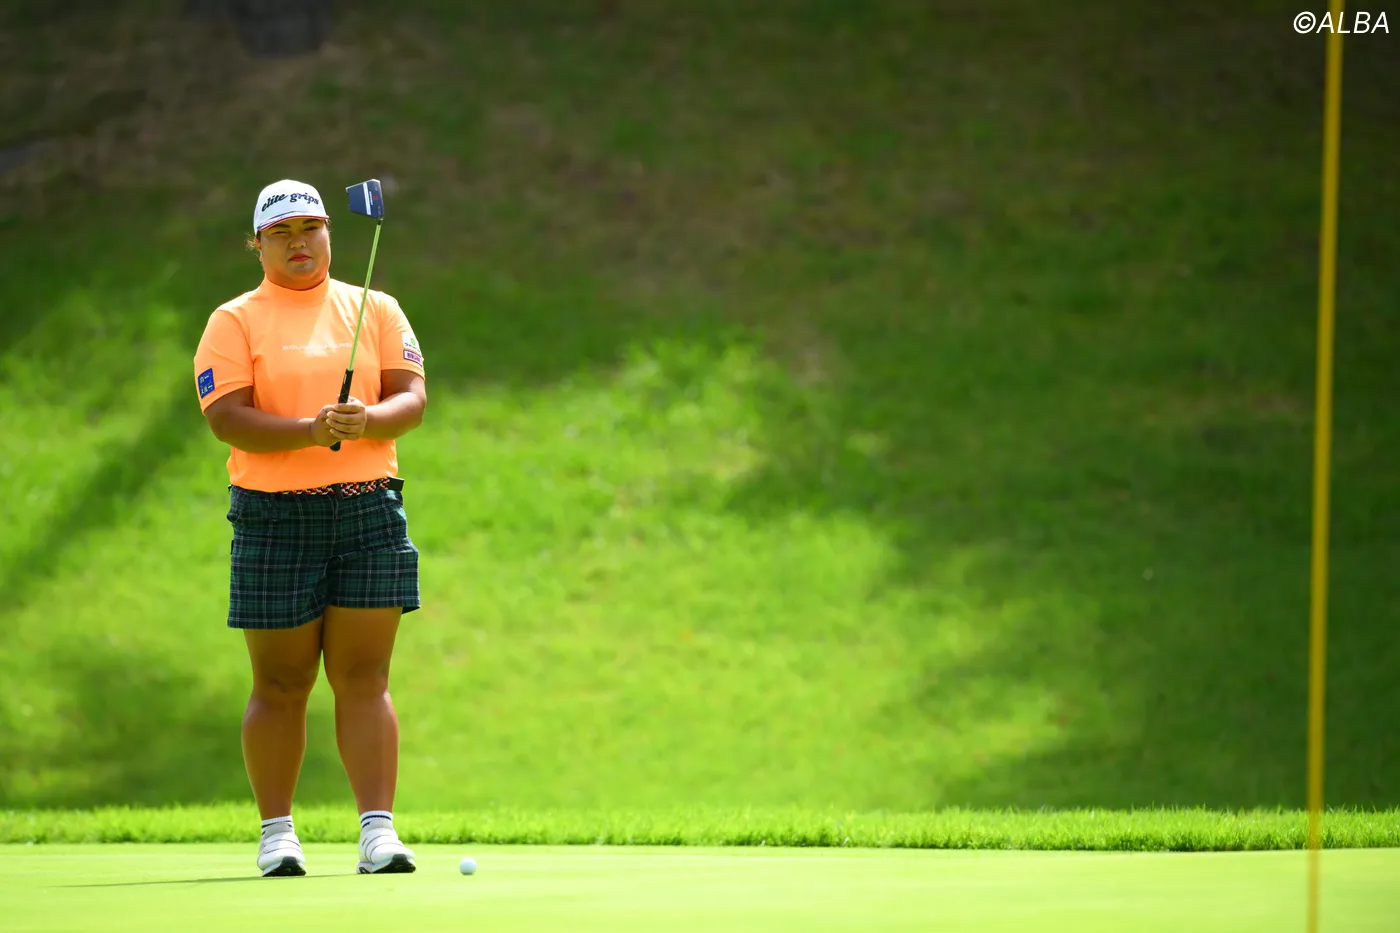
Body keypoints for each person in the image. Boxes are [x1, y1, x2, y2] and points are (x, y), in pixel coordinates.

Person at [192, 179, 428, 877]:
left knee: (364, 676)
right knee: (282, 680)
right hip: (274, 518)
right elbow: (226, 417)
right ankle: (277, 834)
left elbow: (411, 398)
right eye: (282, 233)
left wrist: (367, 419)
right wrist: (309, 430)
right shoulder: (234, 320)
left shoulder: (375, 307)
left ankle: (378, 833)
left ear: (329, 232)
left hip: (368, 509)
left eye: (310, 228)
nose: (299, 243)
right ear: (257, 244)